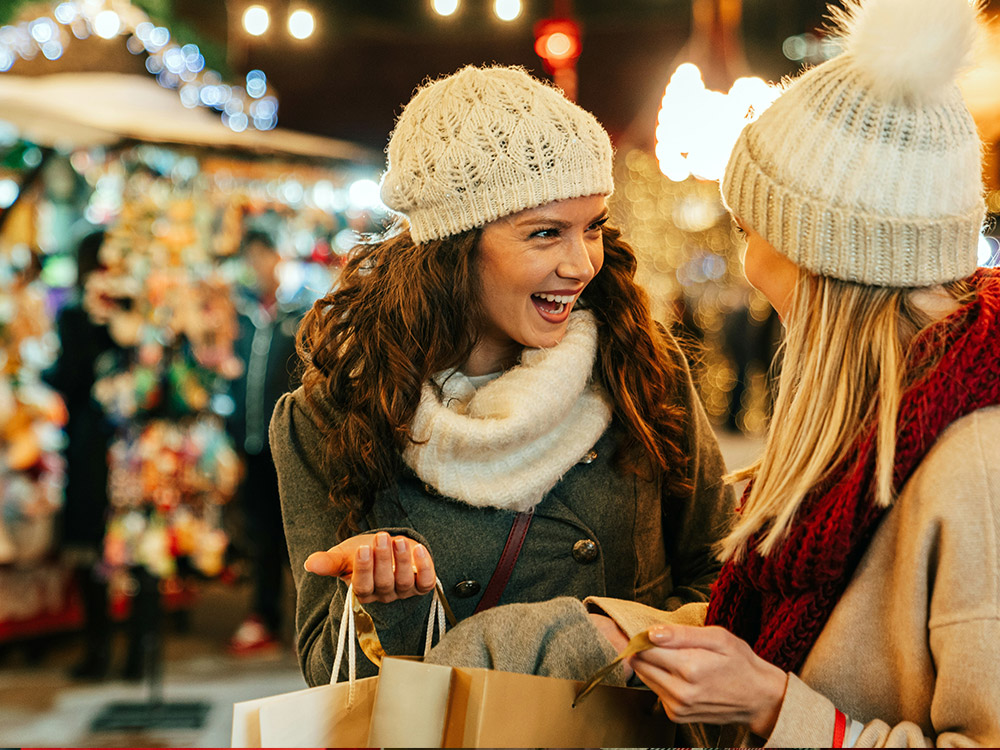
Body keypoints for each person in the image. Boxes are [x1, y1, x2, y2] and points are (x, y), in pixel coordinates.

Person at [585, 0, 1000, 745]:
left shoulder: (975, 457)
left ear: (823, 255)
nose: (747, 260)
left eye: (751, 228)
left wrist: (778, 708)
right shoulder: (878, 411)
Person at [270, 64, 735, 685]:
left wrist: (609, 643)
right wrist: (382, 606)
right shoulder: (332, 413)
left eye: (592, 226)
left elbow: (722, 579)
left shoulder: (638, 369)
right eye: (545, 234)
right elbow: (327, 676)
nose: (581, 264)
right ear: (453, 249)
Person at [44, 230, 118, 679]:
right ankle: (126, 654)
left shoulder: (73, 315)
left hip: (90, 444)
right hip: (124, 443)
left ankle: (97, 647)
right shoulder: (128, 314)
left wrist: (43, 375)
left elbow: (66, 377)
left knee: (90, 548)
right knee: (121, 544)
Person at [226, 230, 303, 654]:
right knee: (260, 536)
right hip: (250, 448)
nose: (255, 266)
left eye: (261, 256)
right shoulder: (239, 317)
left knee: (297, 535)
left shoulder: (299, 313)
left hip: (290, 448)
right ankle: (263, 615)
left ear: (277, 257)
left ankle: (303, 619)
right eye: (248, 258)